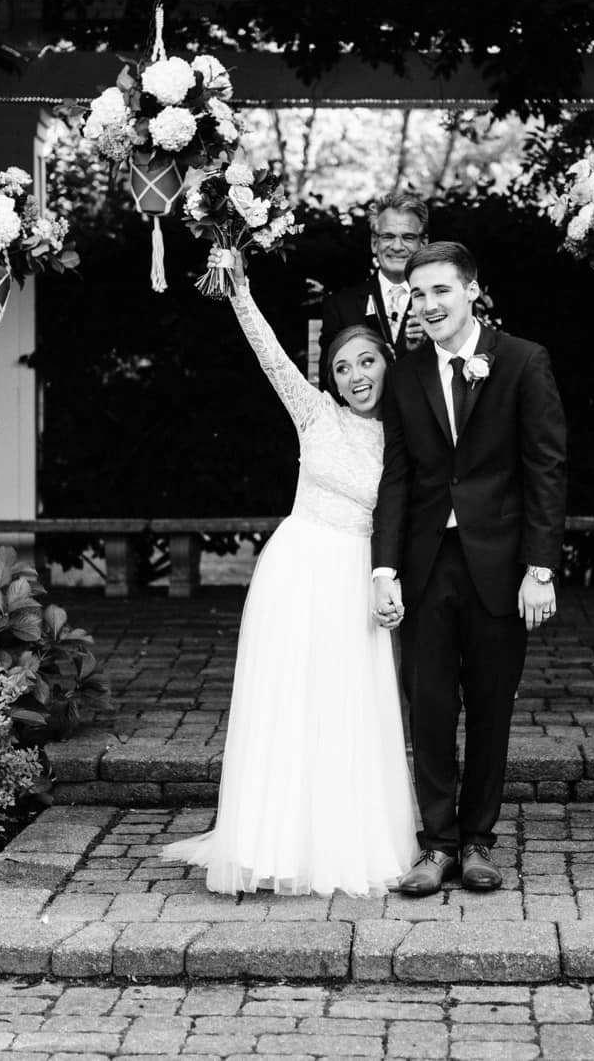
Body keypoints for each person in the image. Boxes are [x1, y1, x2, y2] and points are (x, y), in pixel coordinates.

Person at [163, 252, 417, 896]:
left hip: (359, 578)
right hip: (298, 569)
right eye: (342, 367)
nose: (356, 376)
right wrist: (241, 291)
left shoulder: (408, 438)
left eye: (367, 362)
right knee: (289, 704)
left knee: (349, 708)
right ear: (328, 379)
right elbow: (269, 352)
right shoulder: (315, 414)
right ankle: (271, 838)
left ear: (390, 363)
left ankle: (347, 838)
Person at [371, 241, 567, 896]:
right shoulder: (405, 373)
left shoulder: (522, 360)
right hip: (427, 562)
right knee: (426, 705)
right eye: (417, 293)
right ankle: (436, 844)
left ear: (472, 290)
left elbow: (545, 468)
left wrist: (539, 566)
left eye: (440, 291)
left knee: (489, 705)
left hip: (499, 564)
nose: (427, 304)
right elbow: (397, 477)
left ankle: (478, 839)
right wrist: (384, 568)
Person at [319, 191, 430, 368]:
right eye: (388, 236)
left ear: (423, 244)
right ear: (374, 243)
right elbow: (329, 379)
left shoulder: (442, 302)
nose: (397, 246)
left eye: (408, 237)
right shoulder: (340, 306)